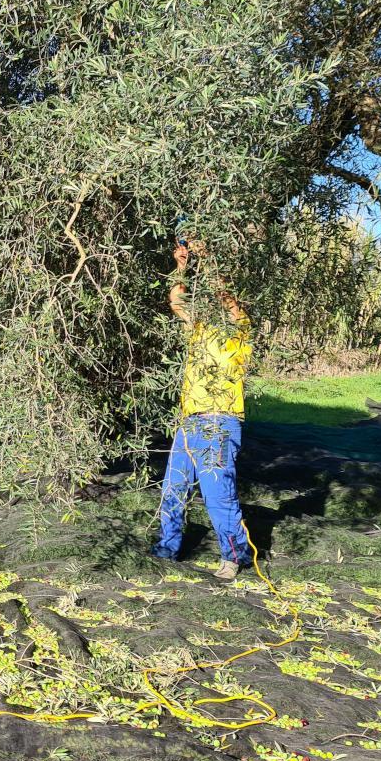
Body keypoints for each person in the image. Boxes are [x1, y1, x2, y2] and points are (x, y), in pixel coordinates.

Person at [152, 238, 253, 580]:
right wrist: (182, 266)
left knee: (217, 494)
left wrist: (209, 262)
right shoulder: (198, 331)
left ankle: (234, 555)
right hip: (189, 422)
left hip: (220, 423)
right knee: (173, 488)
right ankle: (167, 548)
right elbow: (176, 302)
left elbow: (232, 305)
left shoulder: (239, 335)